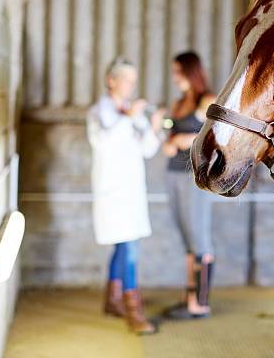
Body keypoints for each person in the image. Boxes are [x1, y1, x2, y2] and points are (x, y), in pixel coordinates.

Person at [87, 57, 164, 335]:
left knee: (123, 246)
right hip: (112, 192)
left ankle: (112, 300)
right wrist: (129, 119)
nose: (131, 85)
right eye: (126, 80)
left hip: (132, 191)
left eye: (133, 80)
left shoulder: (132, 111)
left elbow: (147, 149)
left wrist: (152, 126)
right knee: (130, 248)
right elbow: (103, 143)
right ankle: (134, 311)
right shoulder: (99, 112)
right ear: (111, 81)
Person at [163, 52, 216, 319]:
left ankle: (201, 303)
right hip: (172, 173)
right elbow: (170, 133)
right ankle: (190, 297)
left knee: (199, 238)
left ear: (191, 71)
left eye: (179, 72)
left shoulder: (208, 100)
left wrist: (188, 139)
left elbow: (217, 136)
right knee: (186, 238)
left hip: (194, 176)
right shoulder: (179, 102)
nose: (175, 78)